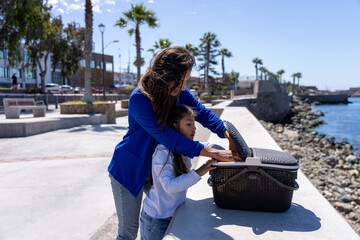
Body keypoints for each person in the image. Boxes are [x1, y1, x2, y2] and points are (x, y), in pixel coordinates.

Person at [108, 46, 241, 240]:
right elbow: (166, 136)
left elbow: (201, 112)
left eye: (185, 81)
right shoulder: (140, 98)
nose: (182, 87)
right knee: (127, 232)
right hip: (129, 170)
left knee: (164, 215)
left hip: (155, 168)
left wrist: (226, 133)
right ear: (166, 75)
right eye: (180, 81)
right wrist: (215, 153)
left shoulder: (179, 92)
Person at [140, 104, 217, 240]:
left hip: (173, 214)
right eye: (188, 124)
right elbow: (170, 186)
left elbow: (210, 146)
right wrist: (200, 171)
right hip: (157, 219)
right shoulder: (162, 151)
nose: (194, 128)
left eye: (194, 124)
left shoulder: (185, 147)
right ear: (175, 125)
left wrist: (230, 153)